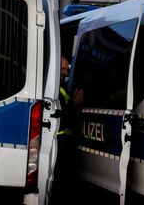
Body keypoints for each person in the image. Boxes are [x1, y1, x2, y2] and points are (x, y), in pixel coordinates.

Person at [51, 56, 84, 204]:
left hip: (64, 143)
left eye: (67, 69)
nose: (65, 73)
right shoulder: (53, 91)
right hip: (58, 143)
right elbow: (61, 120)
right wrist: (75, 103)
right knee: (59, 185)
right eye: (63, 69)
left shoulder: (61, 89)